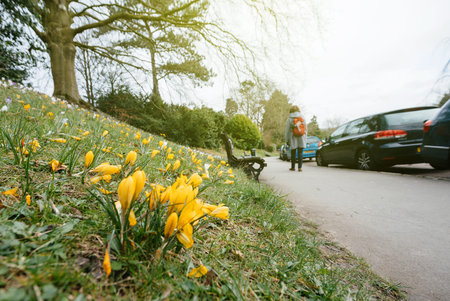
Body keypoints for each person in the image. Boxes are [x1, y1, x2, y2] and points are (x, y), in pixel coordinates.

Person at [285, 105, 307, 171]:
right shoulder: (302, 116)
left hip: (293, 136)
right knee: (300, 152)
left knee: (293, 152)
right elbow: (305, 127)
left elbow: (287, 130)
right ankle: (300, 168)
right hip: (301, 135)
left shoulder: (289, 118)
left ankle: (293, 167)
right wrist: (305, 136)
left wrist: (286, 139)